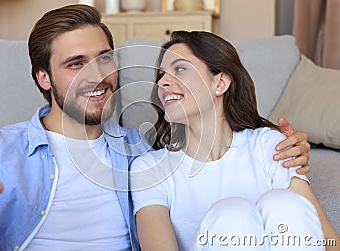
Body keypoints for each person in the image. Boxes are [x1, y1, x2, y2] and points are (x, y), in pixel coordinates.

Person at [0, 5, 311, 251]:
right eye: (75, 64)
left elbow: (212, 149)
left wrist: (283, 143)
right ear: (44, 77)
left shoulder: (141, 152)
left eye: (104, 59)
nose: (97, 76)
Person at [130, 31, 340, 251]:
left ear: (219, 83)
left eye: (180, 69)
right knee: (233, 215)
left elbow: (328, 240)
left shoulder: (270, 146)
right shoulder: (149, 170)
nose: (162, 82)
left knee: (284, 203)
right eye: (161, 75)